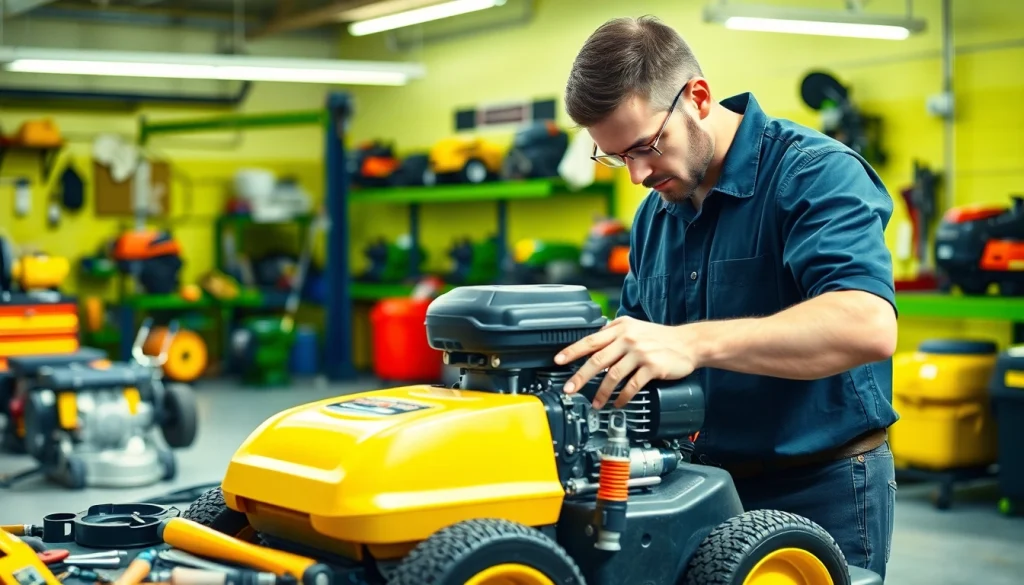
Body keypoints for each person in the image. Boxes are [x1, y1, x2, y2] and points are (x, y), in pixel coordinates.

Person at [555, 15, 900, 580]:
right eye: (617, 157)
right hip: (698, 485)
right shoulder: (655, 217)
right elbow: (641, 351)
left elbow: (866, 324)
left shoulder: (814, 174)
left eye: (645, 146)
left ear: (698, 97)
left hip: (819, 489)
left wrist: (692, 343)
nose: (638, 174)